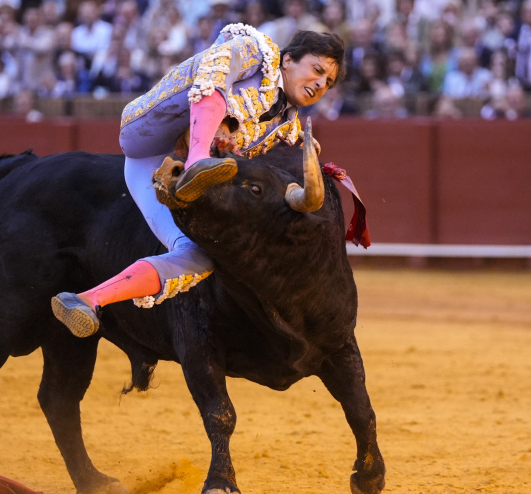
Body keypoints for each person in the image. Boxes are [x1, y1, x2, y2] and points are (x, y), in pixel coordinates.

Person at [51, 25, 345, 337]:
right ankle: (196, 160)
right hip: (147, 133)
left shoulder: (287, 127)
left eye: (327, 82)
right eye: (316, 70)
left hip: (149, 169)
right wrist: (209, 143)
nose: (319, 83)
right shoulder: (256, 49)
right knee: (217, 75)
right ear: (287, 60)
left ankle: (88, 300)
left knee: (197, 257)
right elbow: (214, 71)